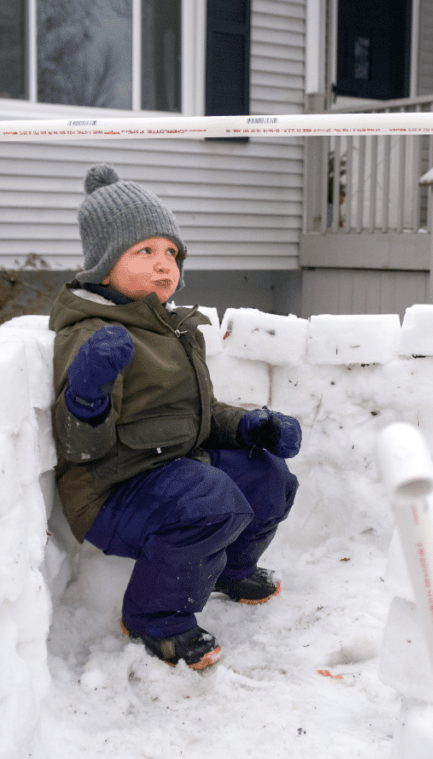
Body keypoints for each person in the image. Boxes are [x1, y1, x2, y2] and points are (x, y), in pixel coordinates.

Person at [50, 164, 301, 670]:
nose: (165, 265)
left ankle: (230, 569)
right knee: (212, 500)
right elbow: (81, 448)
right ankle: (155, 619)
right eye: (145, 251)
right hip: (111, 489)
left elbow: (196, 414)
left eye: (171, 253)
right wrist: (87, 390)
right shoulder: (94, 334)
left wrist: (248, 426)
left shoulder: (171, 327)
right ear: (103, 263)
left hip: (173, 466)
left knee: (268, 477)